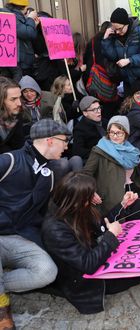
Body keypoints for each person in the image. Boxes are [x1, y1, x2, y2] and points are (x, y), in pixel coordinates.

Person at [40, 172, 140, 314]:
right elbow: (88, 265)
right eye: (90, 195)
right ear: (78, 199)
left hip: (101, 260)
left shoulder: (75, 208)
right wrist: (111, 235)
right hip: (92, 281)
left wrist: (122, 206)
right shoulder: (55, 230)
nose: (94, 197)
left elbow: (101, 225)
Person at [0, 119, 72, 327]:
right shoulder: (9, 160)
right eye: (64, 141)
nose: (67, 146)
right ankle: (2, 308)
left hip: (19, 237)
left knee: (47, 272)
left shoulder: (49, 174)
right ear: (50, 141)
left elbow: (46, 211)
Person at [102, 7, 140, 96]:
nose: (118, 32)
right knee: (129, 107)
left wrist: (129, 60)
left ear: (126, 24)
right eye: (115, 29)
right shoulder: (114, 35)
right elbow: (112, 56)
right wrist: (106, 39)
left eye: (120, 28)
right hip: (127, 79)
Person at [2, 0, 38, 77]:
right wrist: (30, 18)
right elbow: (28, 33)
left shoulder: (14, 16)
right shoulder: (11, 17)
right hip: (18, 63)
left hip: (15, 61)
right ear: (24, 8)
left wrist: (32, 24)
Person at [72, 96, 108, 163]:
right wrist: (99, 153)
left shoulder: (105, 122)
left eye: (99, 108)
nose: (99, 111)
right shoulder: (80, 129)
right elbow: (77, 151)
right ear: (85, 113)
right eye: (94, 110)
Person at [0, 77, 24, 154]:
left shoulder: (16, 114)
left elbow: (18, 144)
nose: (19, 103)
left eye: (19, 97)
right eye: (13, 99)